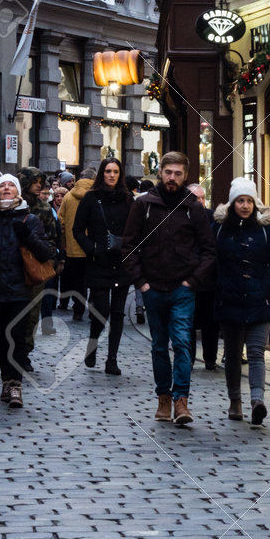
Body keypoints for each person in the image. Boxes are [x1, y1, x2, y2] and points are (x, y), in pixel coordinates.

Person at [121, 151, 216, 426]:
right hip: (153, 288)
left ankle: (181, 400)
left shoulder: (193, 208)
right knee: (159, 346)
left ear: (185, 176)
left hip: (182, 288)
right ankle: (163, 397)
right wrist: (142, 282)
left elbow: (209, 250)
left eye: (177, 173)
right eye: (168, 172)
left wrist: (192, 281)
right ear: (160, 172)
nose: (172, 177)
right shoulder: (144, 205)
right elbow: (128, 246)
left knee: (183, 345)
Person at [213, 178, 270, 426]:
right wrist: (219, 287)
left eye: (249, 201)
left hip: (259, 300)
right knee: (233, 354)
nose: (245, 205)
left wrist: (266, 286)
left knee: (256, 352)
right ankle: (235, 401)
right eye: (240, 201)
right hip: (230, 300)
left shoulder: (266, 230)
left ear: (255, 203)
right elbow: (211, 258)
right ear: (233, 203)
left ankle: (257, 401)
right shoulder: (221, 229)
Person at [0, 174, 54, 409]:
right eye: (2, 185)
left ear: (18, 192)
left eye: (10, 185)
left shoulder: (29, 219)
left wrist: (26, 235)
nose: (6, 188)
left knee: (17, 338)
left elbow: (45, 253)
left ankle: (16, 384)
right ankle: (7, 380)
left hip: (21, 288)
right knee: (2, 339)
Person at [73, 156, 133, 375]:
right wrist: (92, 249)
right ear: (102, 173)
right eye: (108, 171)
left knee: (118, 313)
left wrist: (130, 249)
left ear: (120, 175)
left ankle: (112, 359)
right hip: (99, 264)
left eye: (115, 172)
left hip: (121, 264)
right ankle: (93, 341)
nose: (112, 175)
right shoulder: (91, 198)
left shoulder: (128, 199)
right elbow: (77, 230)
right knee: (101, 310)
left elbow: (136, 230)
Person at [18, 165, 63, 344]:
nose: (39, 186)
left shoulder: (44, 209)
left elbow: (53, 237)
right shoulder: (13, 204)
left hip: (36, 266)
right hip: (13, 266)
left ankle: (25, 350)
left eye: (40, 182)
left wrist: (51, 260)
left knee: (32, 312)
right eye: (34, 182)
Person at [187, 183, 220, 372]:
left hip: (210, 281)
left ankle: (210, 359)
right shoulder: (182, 218)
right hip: (189, 280)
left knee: (210, 324)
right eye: (195, 198)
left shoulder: (214, 218)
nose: (199, 202)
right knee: (188, 323)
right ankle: (188, 359)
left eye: (202, 198)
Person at [57, 167, 96, 319]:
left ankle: (78, 310)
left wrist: (64, 242)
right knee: (93, 279)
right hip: (93, 246)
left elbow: (61, 222)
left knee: (77, 280)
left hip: (73, 247)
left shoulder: (68, 197)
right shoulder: (97, 195)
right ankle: (94, 308)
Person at [125, 176, 146, 324]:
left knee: (124, 279)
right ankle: (139, 305)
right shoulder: (135, 202)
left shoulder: (134, 202)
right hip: (136, 245)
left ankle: (118, 306)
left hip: (121, 245)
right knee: (138, 277)